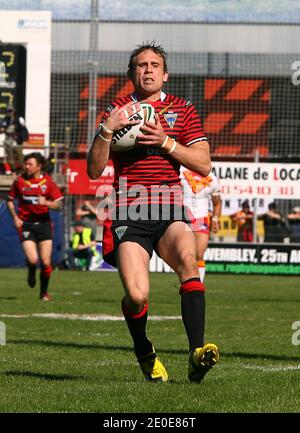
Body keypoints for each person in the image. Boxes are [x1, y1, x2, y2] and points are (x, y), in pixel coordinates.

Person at [87, 42, 219, 383]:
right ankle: (144, 350)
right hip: (128, 211)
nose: (148, 70)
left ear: (165, 73)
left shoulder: (183, 109)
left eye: (154, 64)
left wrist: (165, 142)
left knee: (189, 262)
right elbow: (92, 169)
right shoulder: (116, 110)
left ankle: (196, 353)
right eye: (141, 65)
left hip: (169, 208)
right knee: (136, 295)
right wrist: (106, 130)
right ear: (132, 74)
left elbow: (203, 164)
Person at [6, 152, 63, 301]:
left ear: (39, 166)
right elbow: (10, 200)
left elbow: (59, 204)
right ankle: (31, 270)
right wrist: (15, 217)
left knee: (45, 262)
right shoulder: (19, 181)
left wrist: (47, 203)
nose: (27, 166)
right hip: (26, 225)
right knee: (32, 260)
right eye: (26, 164)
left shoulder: (49, 182)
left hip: (44, 224)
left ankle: (43, 293)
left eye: (30, 164)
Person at [180, 168, 222, 282]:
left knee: (199, 253)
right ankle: (186, 282)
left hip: (201, 219)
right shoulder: (180, 171)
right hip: (182, 217)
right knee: (186, 255)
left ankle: (199, 286)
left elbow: (217, 202)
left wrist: (215, 218)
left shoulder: (212, 178)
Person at [1, 106, 29, 174]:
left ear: (13, 112)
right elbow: (2, 128)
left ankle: (25, 170)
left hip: (17, 140)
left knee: (20, 157)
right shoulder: (5, 119)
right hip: (8, 141)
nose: (9, 113)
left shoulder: (19, 119)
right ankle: (13, 170)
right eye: (8, 111)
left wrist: (25, 140)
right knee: (9, 157)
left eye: (10, 111)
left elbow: (24, 130)